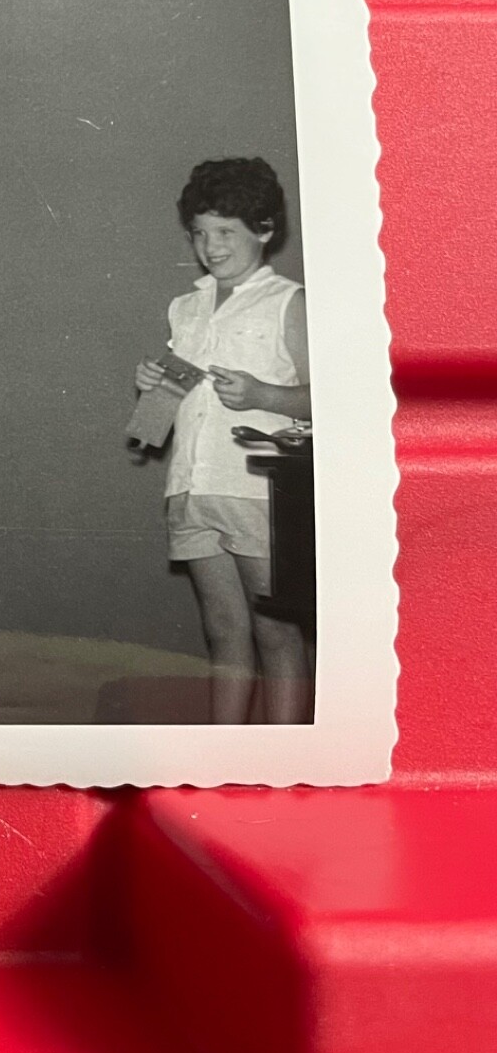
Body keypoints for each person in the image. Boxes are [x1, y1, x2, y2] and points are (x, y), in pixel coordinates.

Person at [134, 157, 311, 725]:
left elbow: (336, 399)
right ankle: (225, 758)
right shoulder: (185, 306)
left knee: (276, 631)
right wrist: (153, 389)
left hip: (260, 491)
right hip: (193, 487)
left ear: (264, 229)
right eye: (200, 233)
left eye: (226, 233)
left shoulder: (289, 303)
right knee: (223, 630)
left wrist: (266, 394)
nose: (210, 247)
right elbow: (170, 402)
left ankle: (285, 768)